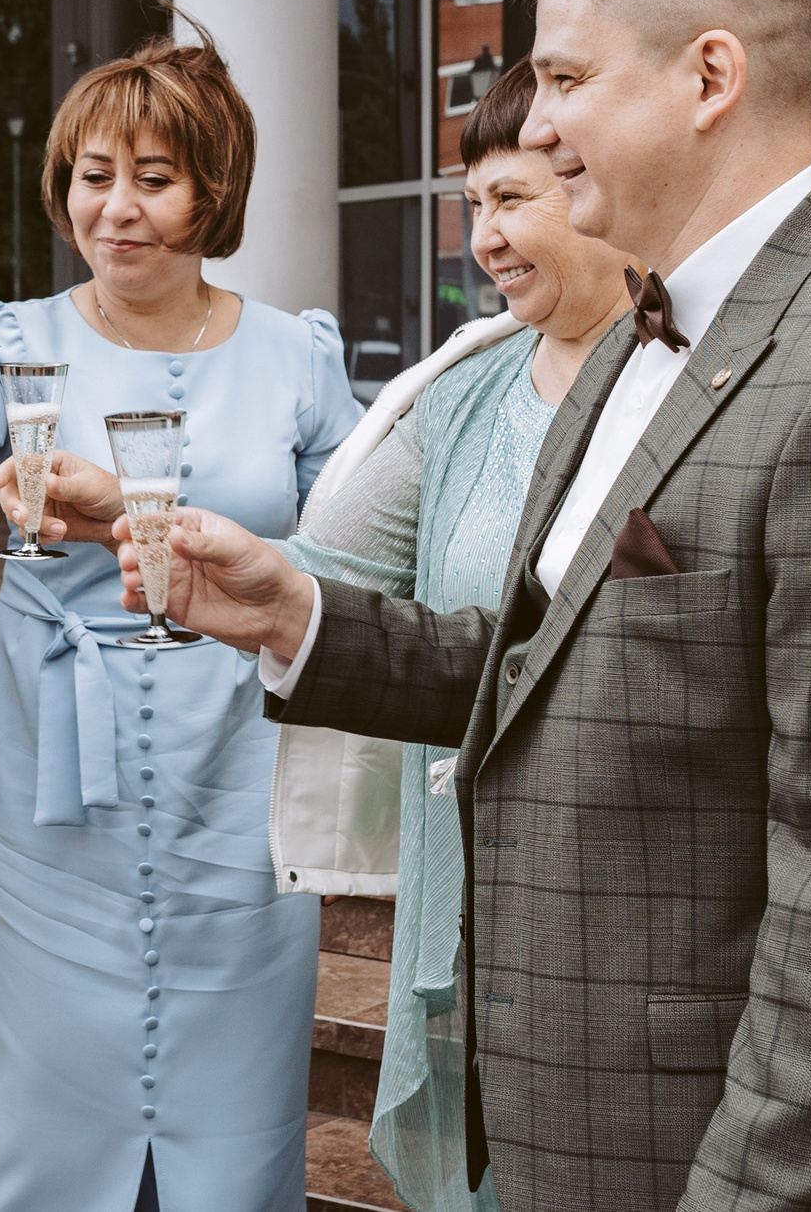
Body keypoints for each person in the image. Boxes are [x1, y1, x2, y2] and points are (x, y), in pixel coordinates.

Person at [131, 0, 811, 1212]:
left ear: (709, 76)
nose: (540, 126)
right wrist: (295, 615)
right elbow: (545, 668)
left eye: (563, 77)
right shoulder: (630, 337)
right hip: (565, 1133)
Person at [0, 29, 360, 1212]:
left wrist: (134, 509)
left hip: (239, 753)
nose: (115, 210)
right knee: (55, 1092)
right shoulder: (14, 343)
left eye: (153, 179)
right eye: (91, 177)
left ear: (212, 192)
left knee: (237, 1094)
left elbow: (358, 557)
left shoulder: (296, 354)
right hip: (52, 759)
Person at [264, 62, 631, 1211]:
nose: (486, 240)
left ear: (596, 185)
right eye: (474, 207)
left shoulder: (688, 383)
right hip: (465, 874)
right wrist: (132, 521)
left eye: (512, 199)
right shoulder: (464, 389)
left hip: (616, 895)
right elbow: (322, 582)